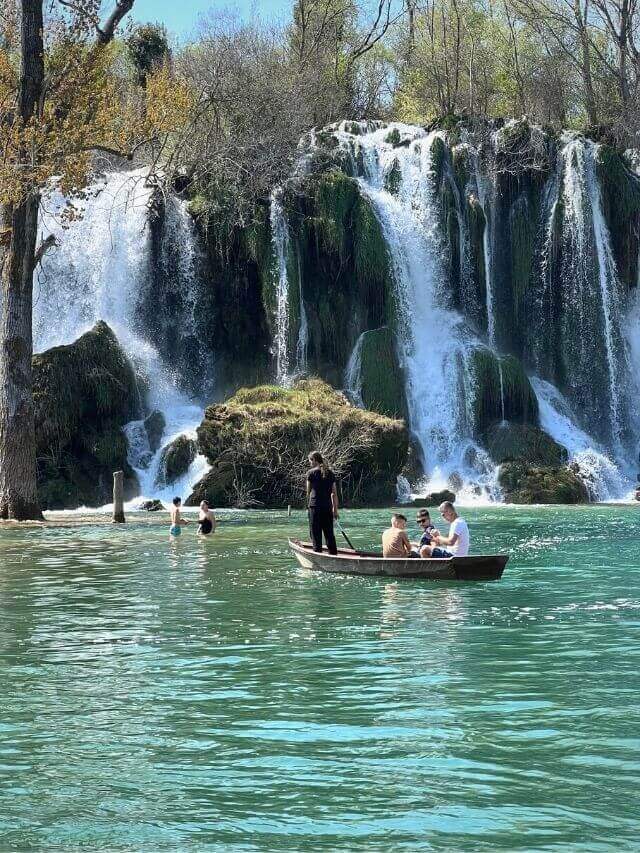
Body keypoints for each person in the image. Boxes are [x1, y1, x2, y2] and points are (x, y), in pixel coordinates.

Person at [306, 451, 339, 555]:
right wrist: (335, 511)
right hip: (327, 507)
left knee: (316, 534)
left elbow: (308, 491)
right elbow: (334, 494)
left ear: (314, 460)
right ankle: (333, 554)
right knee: (329, 534)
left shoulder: (310, 473)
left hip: (315, 507)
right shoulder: (330, 473)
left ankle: (317, 553)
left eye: (310, 461)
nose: (310, 463)